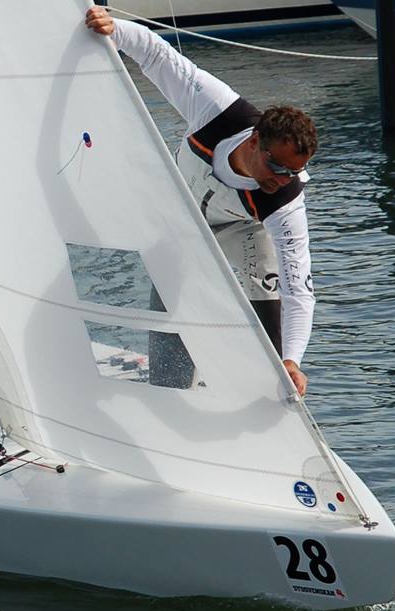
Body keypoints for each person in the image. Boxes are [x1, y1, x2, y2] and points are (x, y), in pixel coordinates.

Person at [86, 6, 315, 396]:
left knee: (270, 329)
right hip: (184, 221)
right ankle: (170, 395)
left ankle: (270, 401)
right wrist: (115, 29)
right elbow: (157, 55)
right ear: (255, 140)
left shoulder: (283, 203)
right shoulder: (217, 111)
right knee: (170, 322)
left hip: (245, 229)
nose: (283, 179)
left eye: (294, 172)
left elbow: (300, 289)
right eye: (277, 166)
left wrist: (292, 359)